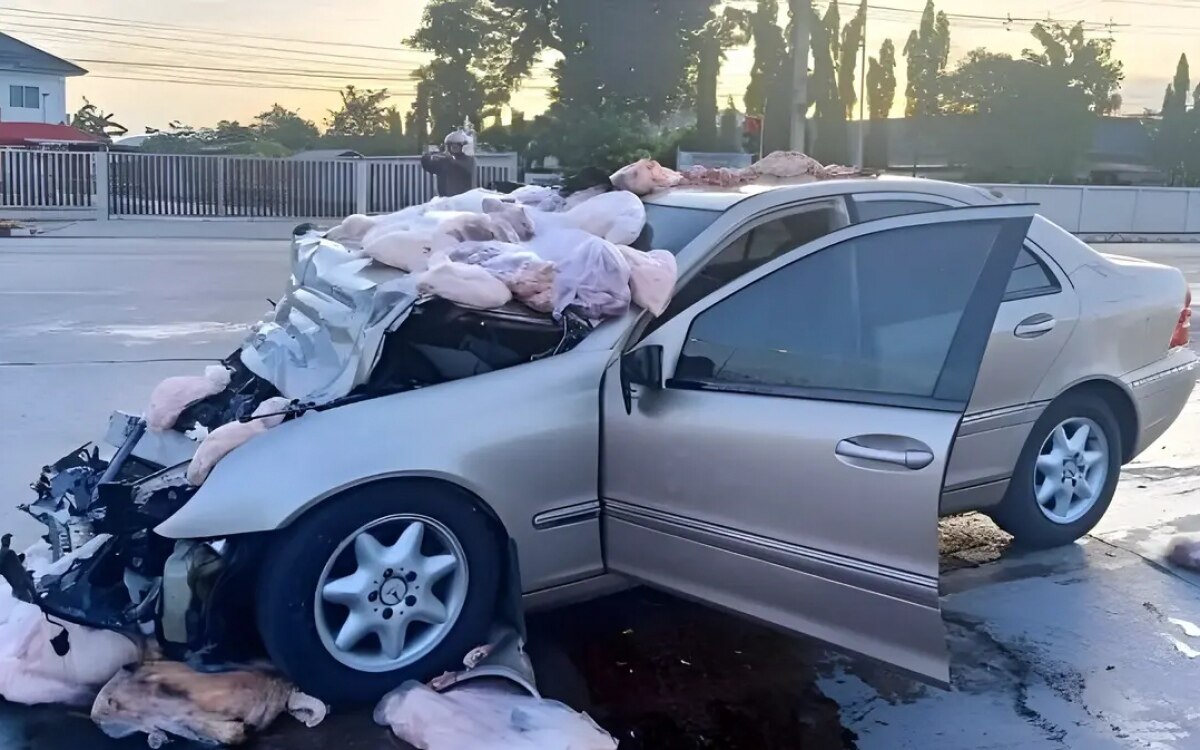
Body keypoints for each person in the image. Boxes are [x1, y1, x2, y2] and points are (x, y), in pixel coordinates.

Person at [421, 130, 476, 197]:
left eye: (457, 145)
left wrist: (447, 159)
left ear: (462, 146)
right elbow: (429, 166)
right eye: (451, 145)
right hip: (444, 199)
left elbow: (462, 166)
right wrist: (427, 158)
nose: (454, 147)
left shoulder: (469, 160)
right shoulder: (444, 161)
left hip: (462, 198)